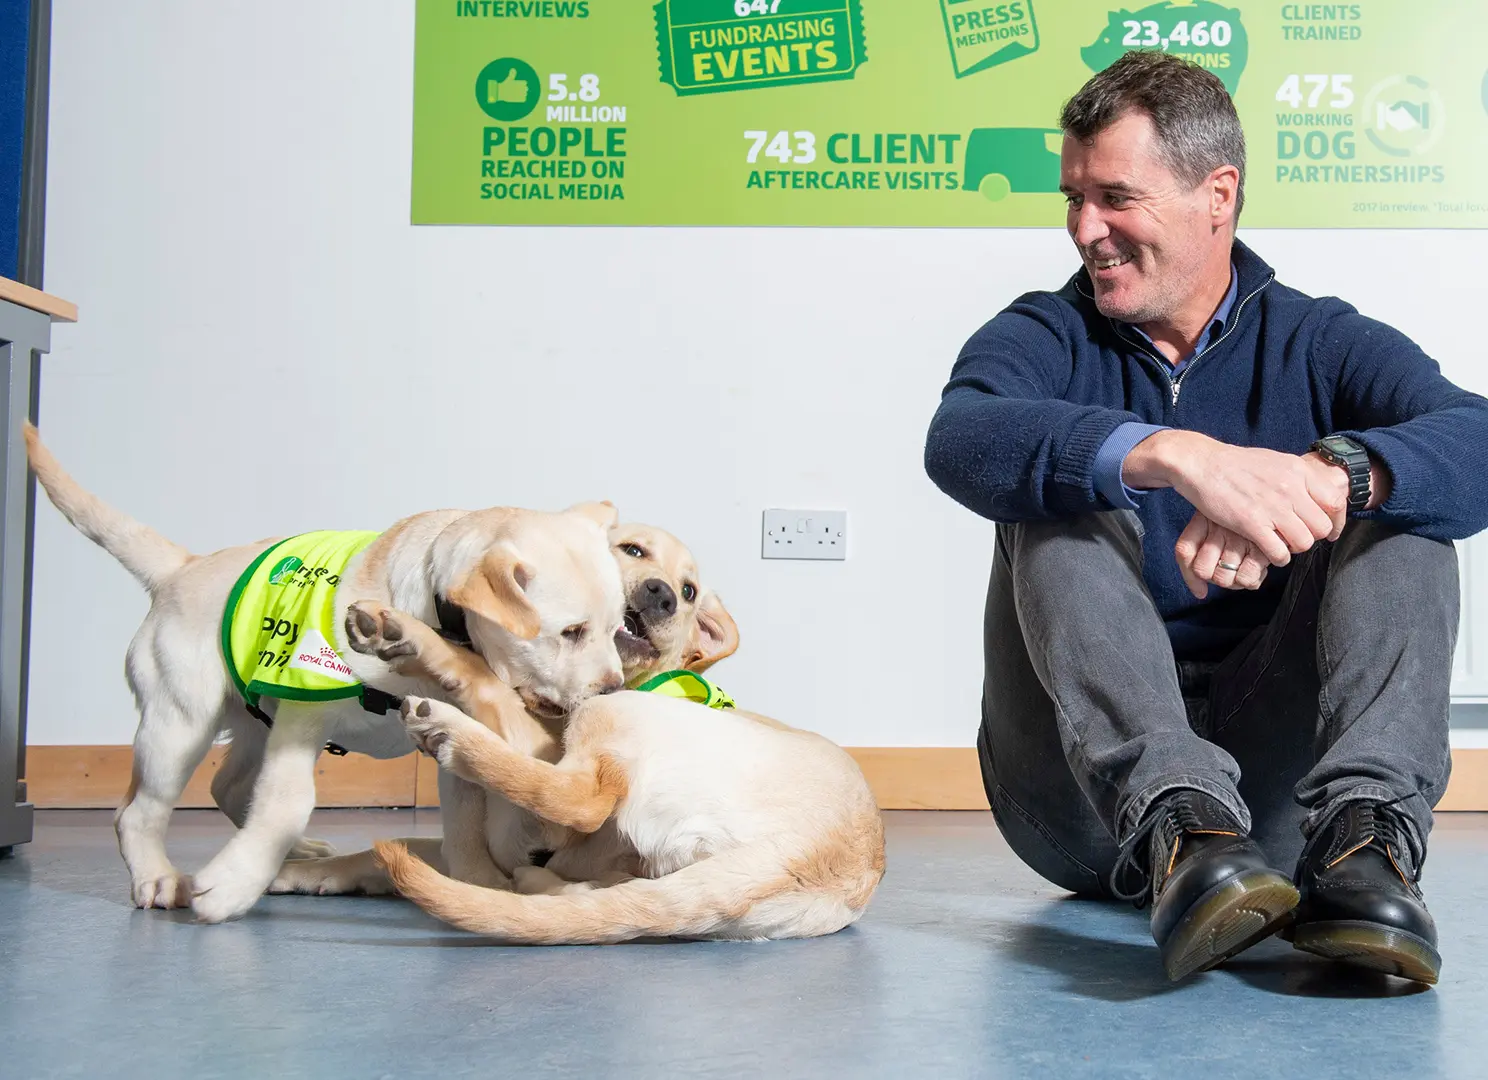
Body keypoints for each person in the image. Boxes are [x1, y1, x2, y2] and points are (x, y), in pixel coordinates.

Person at [923, 50, 1488, 985]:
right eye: (1073, 198)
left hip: (1271, 815)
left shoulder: (1321, 339)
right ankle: (1176, 817)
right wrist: (1178, 457)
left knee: (1406, 502)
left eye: (1115, 197)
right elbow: (960, 438)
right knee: (1059, 490)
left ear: (1216, 195)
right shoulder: (1044, 333)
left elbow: (1476, 437)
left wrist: (1327, 477)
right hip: (1078, 807)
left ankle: (1365, 853)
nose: (1084, 229)